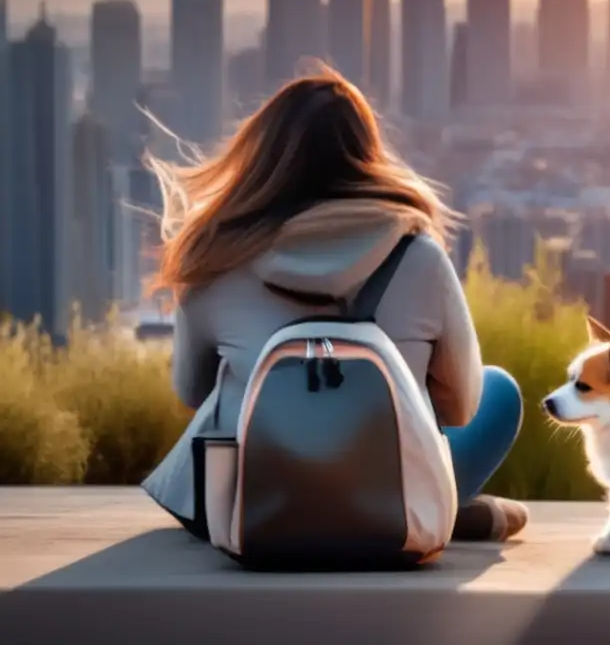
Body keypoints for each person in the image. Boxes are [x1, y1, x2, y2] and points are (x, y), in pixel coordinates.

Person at [141, 67, 528, 544]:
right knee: (499, 391)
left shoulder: (214, 261)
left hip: (254, 506)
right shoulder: (419, 256)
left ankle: (338, 514)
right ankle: (419, 515)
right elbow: (463, 407)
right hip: (390, 488)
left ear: (261, 157)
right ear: (368, 155)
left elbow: (191, 392)